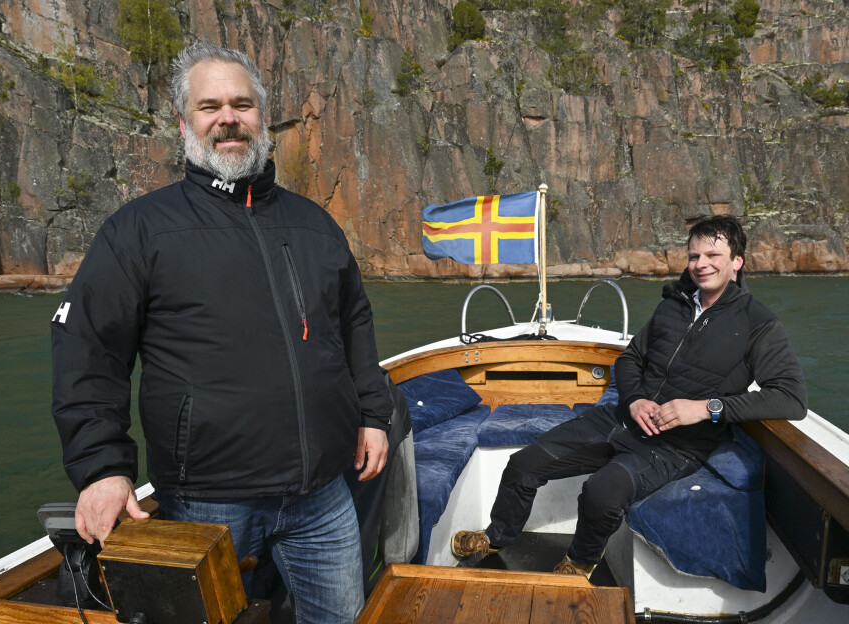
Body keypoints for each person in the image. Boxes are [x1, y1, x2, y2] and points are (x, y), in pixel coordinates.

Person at [51, 42, 392, 623]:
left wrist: (374, 415)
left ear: (263, 116)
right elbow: (89, 349)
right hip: (206, 499)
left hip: (324, 496)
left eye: (242, 104)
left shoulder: (314, 224)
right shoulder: (140, 229)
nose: (228, 118)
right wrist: (105, 469)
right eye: (210, 106)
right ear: (185, 123)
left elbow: (354, 323)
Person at [450, 215, 808, 577]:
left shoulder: (758, 323)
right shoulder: (674, 305)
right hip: (622, 418)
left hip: (676, 445)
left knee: (600, 494)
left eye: (712, 255)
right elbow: (631, 359)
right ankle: (497, 537)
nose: (701, 265)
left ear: (736, 261)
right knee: (522, 465)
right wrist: (635, 399)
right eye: (694, 256)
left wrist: (705, 408)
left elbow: (791, 398)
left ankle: (579, 562)